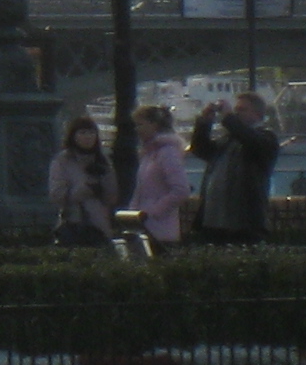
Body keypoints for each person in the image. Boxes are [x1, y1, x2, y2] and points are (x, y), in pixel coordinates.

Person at [190, 91, 281, 246]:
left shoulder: (267, 138)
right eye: (236, 109)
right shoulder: (226, 140)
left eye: (242, 109)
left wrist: (228, 118)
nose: (236, 113)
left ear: (258, 114)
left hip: (244, 222)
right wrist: (204, 122)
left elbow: (249, 139)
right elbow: (200, 149)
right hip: (213, 221)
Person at [123, 102, 190, 251]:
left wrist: (154, 212)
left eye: (140, 125)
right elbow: (140, 191)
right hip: (142, 228)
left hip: (161, 231)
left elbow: (181, 189)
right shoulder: (149, 153)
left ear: (154, 125)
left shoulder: (167, 153)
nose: (136, 130)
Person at [49, 112, 117, 245]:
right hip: (74, 223)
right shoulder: (63, 161)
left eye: (91, 133)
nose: (88, 137)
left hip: (100, 226)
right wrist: (83, 190)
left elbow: (112, 197)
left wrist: (103, 186)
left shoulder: (103, 160)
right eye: (83, 133)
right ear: (73, 136)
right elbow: (56, 194)